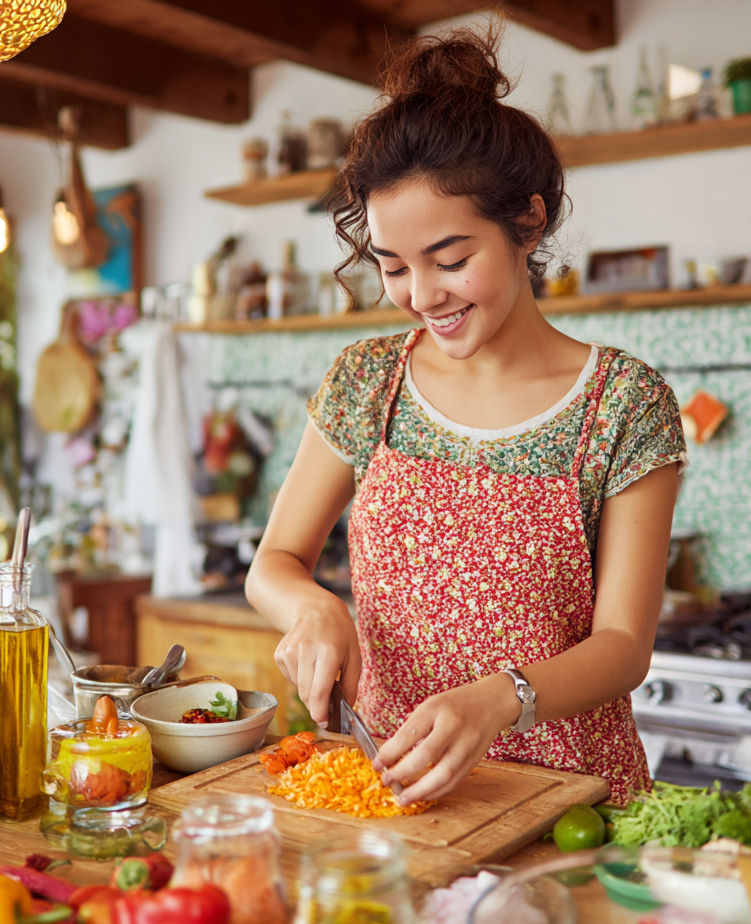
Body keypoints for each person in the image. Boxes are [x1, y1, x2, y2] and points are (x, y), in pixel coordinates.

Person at [246, 24, 688, 808]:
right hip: (393, 788)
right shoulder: (367, 380)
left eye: (451, 260)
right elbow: (274, 561)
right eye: (393, 266)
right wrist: (313, 607)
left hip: (571, 803)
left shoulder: (623, 402)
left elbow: (624, 647)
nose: (421, 294)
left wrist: (498, 699)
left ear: (527, 223)